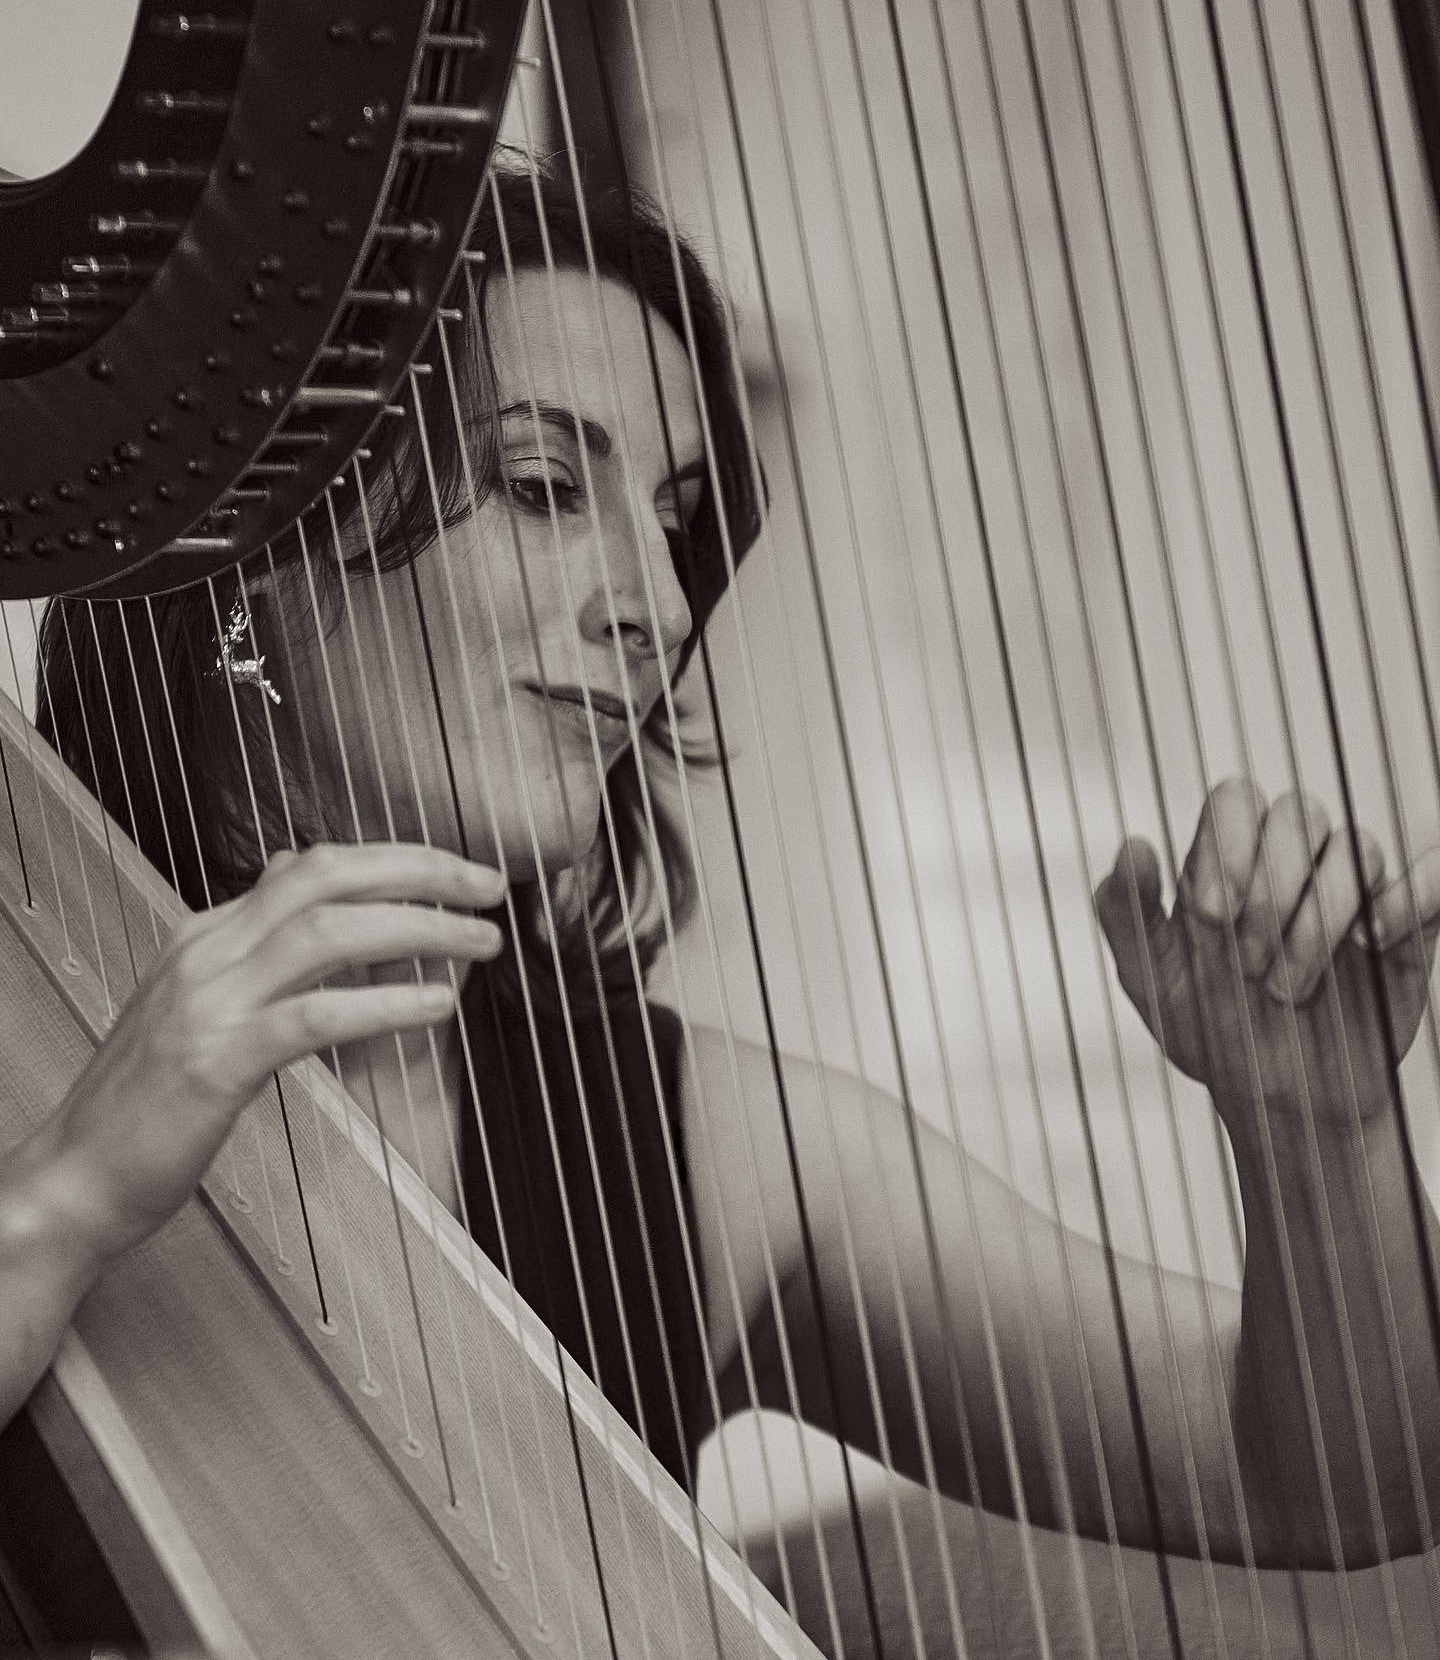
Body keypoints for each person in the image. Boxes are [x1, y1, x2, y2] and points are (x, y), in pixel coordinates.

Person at [5, 158, 1440, 1576]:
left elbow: (1326, 1487)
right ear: (257, 545)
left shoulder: (692, 1142)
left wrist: (1321, 1135)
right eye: (547, 484)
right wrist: (63, 1203)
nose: (656, 603)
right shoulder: (37, 1052)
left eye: (676, 520)